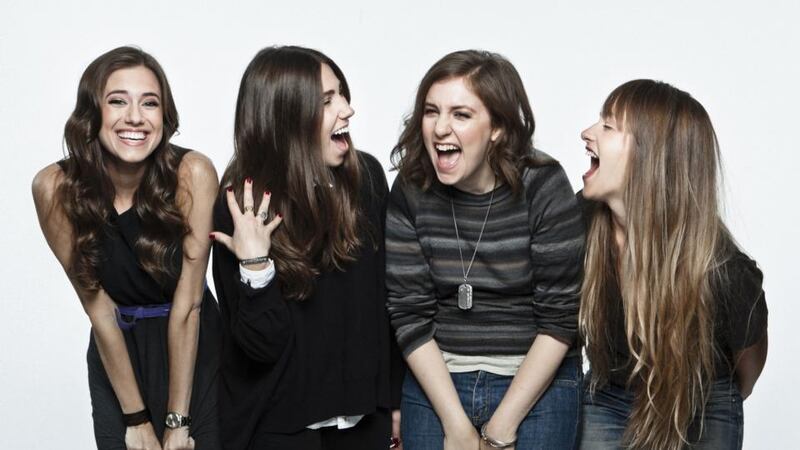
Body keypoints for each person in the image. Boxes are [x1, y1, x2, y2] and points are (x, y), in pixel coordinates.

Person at [385, 50, 585, 450]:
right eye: (431, 111)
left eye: (461, 114)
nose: (441, 128)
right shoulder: (411, 188)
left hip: (535, 383)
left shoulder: (544, 184)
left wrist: (501, 428)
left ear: (496, 127)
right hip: (439, 380)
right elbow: (409, 313)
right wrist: (455, 423)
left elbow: (560, 318)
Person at [209, 45, 402, 450]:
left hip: (364, 421)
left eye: (342, 94)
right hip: (279, 429)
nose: (347, 109)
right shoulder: (243, 204)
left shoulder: (365, 176)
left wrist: (394, 400)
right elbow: (261, 347)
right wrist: (256, 263)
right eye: (327, 100)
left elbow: (385, 302)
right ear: (286, 117)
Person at [32, 46, 221, 450]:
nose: (135, 117)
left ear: (163, 116)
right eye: (117, 101)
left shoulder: (193, 174)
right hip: (116, 354)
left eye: (149, 103)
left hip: (194, 350)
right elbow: (98, 308)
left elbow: (189, 305)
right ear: (91, 112)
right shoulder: (54, 189)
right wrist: (135, 419)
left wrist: (176, 421)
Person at [577, 79, 768, 450]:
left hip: (700, 400)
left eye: (608, 126)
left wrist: (703, 400)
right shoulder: (579, 222)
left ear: (650, 155)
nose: (586, 133)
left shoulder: (724, 272)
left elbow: (747, 367)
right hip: (610, 392)